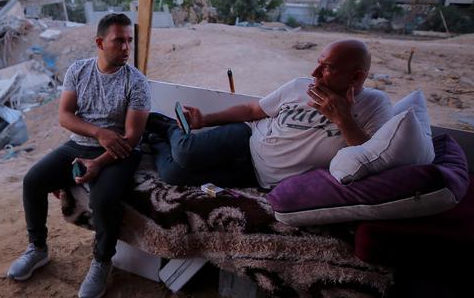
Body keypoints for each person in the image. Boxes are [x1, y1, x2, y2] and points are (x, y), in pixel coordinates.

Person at [6, 13, 151, 298]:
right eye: (118, 41)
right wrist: (98, 133)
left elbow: (133, 136)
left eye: (129, 41)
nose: (126, 48)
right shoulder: (78, 71)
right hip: (79, 145)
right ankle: (38, 248)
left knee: (103, 200)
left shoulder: (136, 82)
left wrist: (98, 163)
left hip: (119, 153)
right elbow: (65, 116)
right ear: (100, 42)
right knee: (33, 180)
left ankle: (101, 261)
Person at [147, 39, 392, 189]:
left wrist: (344, 120)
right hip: (247, 138)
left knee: (172, 174)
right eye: (318, 62)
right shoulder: (299, 86)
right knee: (186, 152)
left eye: (327, 67)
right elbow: (253, 110)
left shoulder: (374, 104)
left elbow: (372, 158)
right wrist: (205, 119)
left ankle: (155, 139)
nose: (314, 72)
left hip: (256, 177)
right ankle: (166, 125)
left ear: (357, 76)